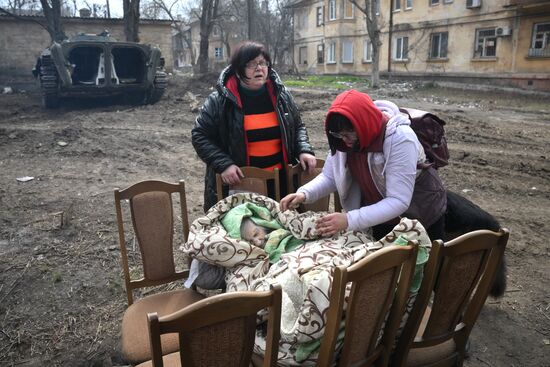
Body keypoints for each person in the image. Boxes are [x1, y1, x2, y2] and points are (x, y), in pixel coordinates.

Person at [280, 90, 447, 241]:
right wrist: (304, 194)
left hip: (420, 211)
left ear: (364, 123)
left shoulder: (400, 138)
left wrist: (349, 220)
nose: (345, 140)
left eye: (349, 133)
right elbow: (330, 176)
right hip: (379, 213)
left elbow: (398, 200)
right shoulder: (344, 142)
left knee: (421, 265)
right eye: (339, 134)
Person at [192, 41, 316, 212]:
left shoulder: (282, 95)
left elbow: (298, 126)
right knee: (248, 232)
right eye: (251, 64)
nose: (259, 68)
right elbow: (199, 135)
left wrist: (304, 149)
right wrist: (224, 164)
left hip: (279, 182)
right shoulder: (220, 100)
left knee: (280, 230)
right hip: (240, 183)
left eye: (263, 63)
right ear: (238, 70)